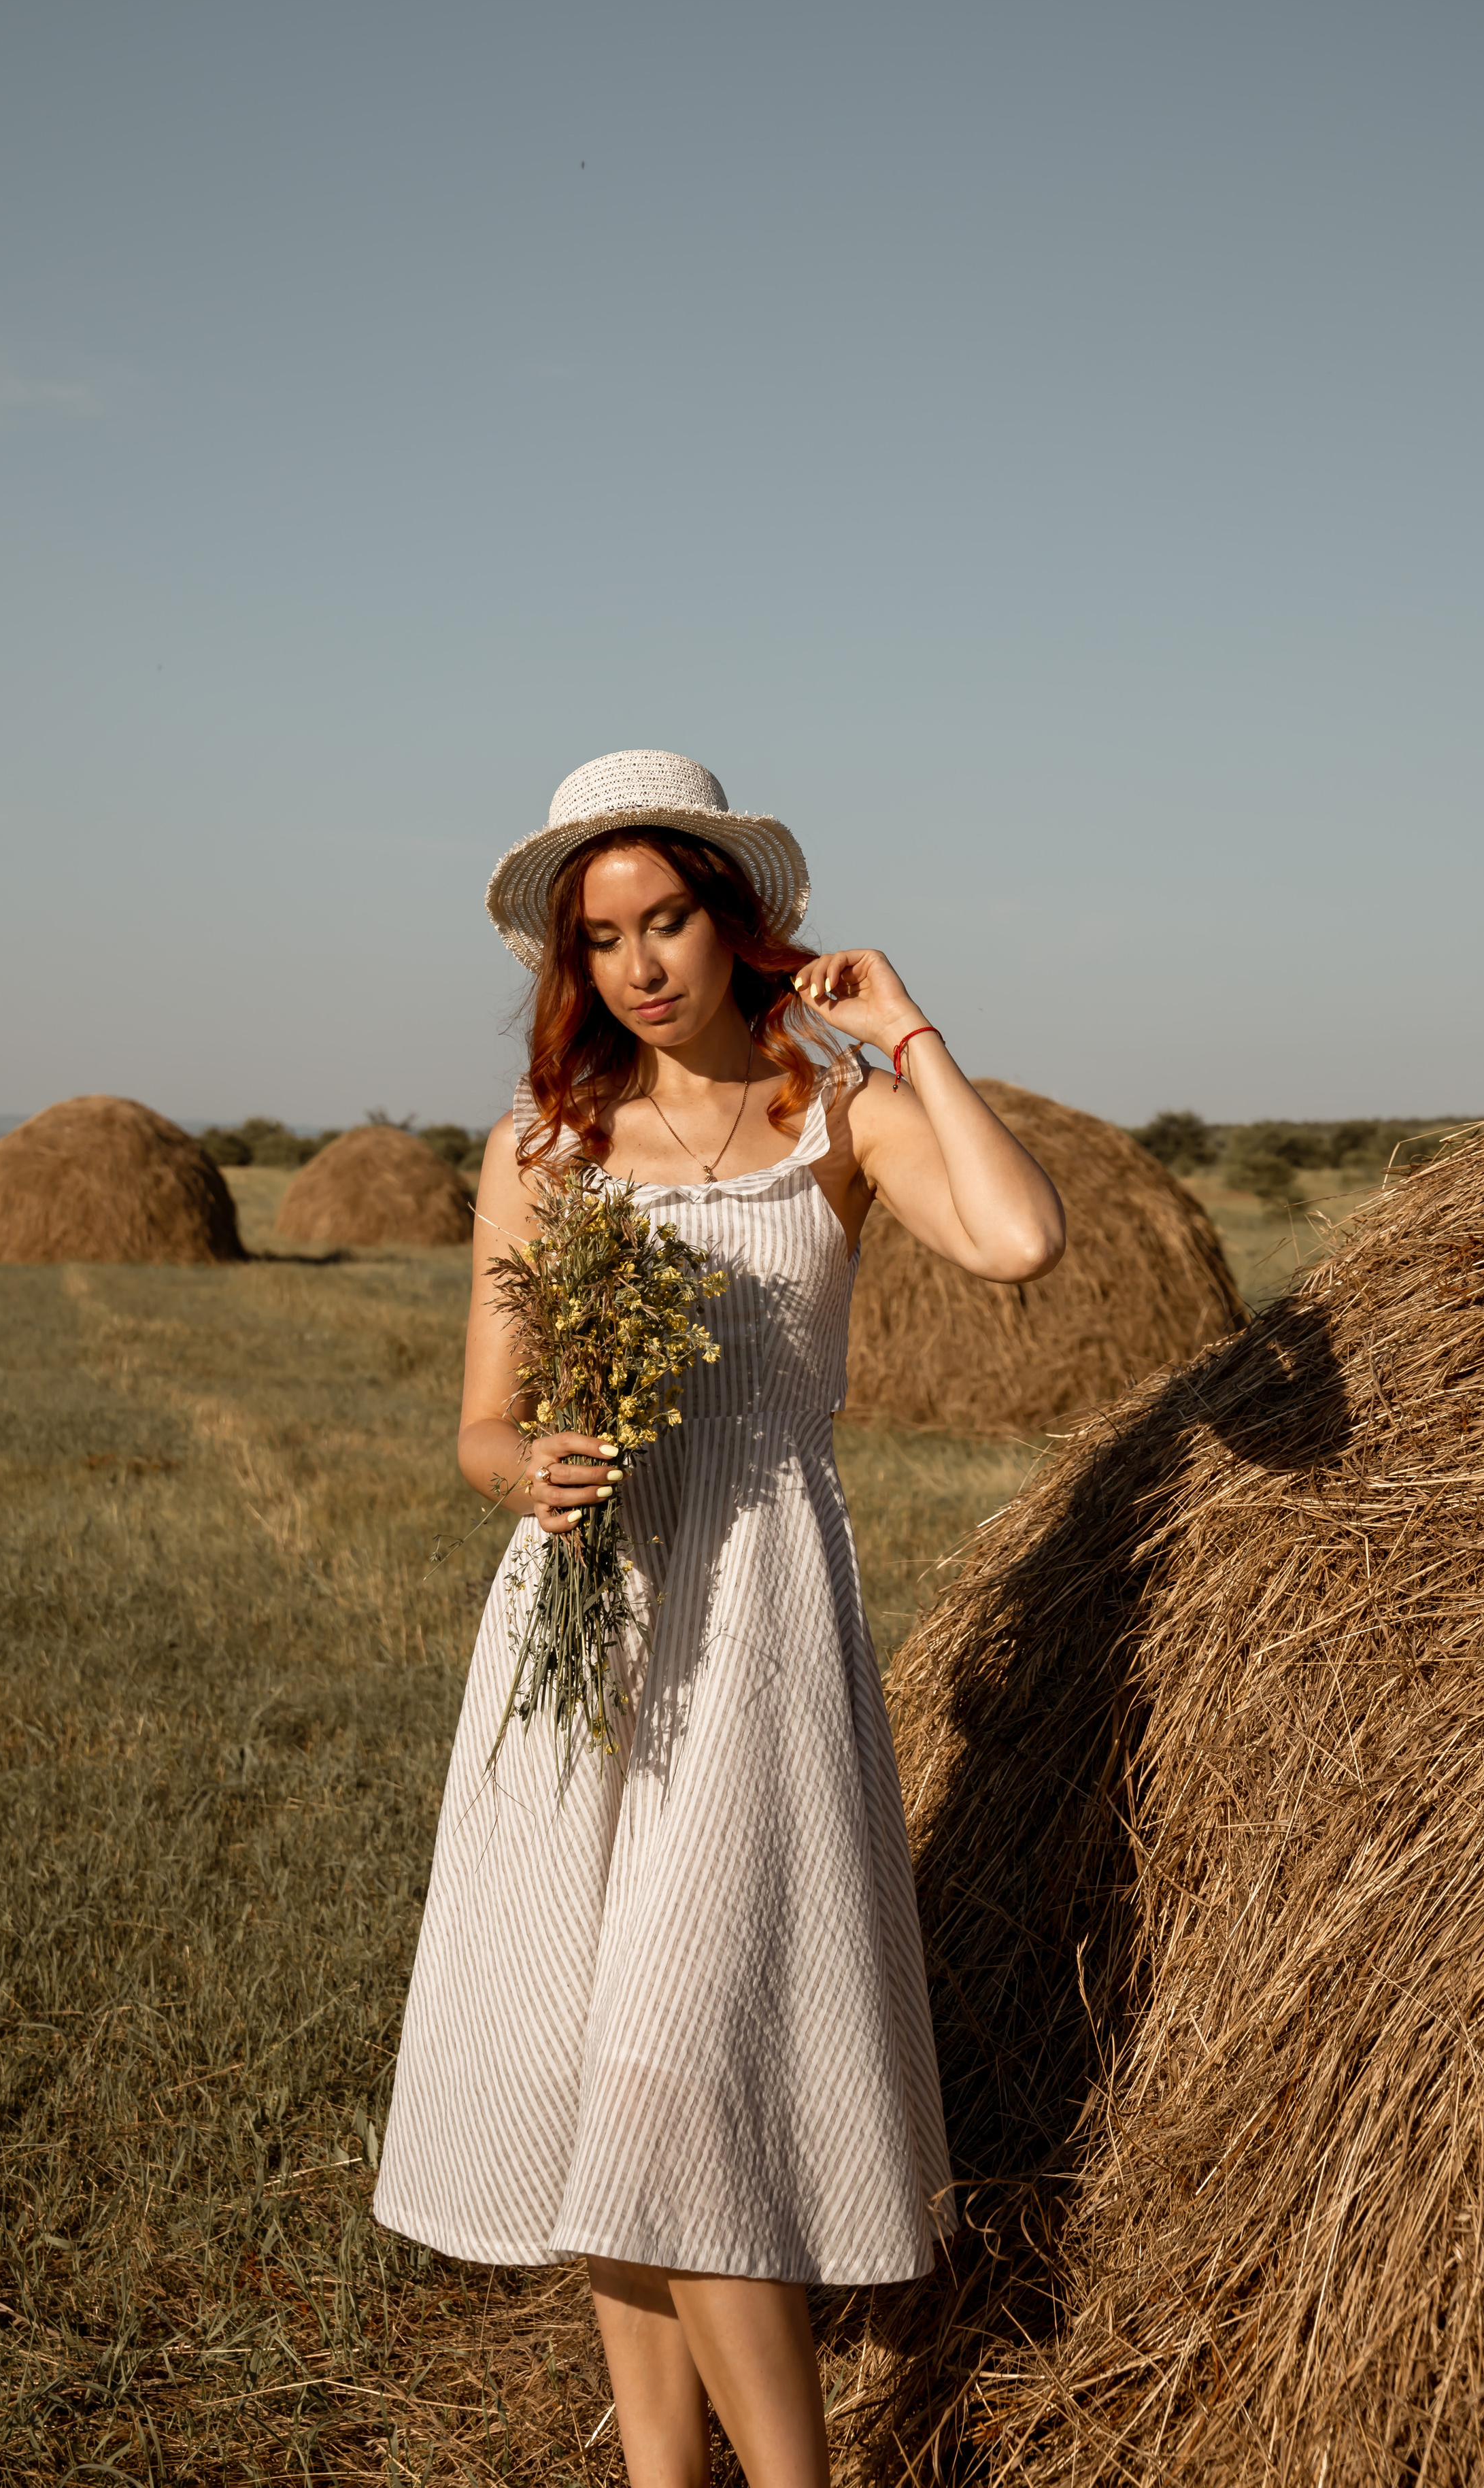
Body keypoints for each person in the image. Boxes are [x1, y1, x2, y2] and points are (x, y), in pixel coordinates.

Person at [375, 752, 1065, 2488]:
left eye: (664, 918)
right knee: (597, 2080)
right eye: (599, 937)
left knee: (680, 2070)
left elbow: (1018, 1241)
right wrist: (516, 1468)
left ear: (736, 919)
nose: (636, 964)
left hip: (751, 1619)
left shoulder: (834, 1120)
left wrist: (907, 1027)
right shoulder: (542, 1151)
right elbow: (476, 1420)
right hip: (577, 1633)